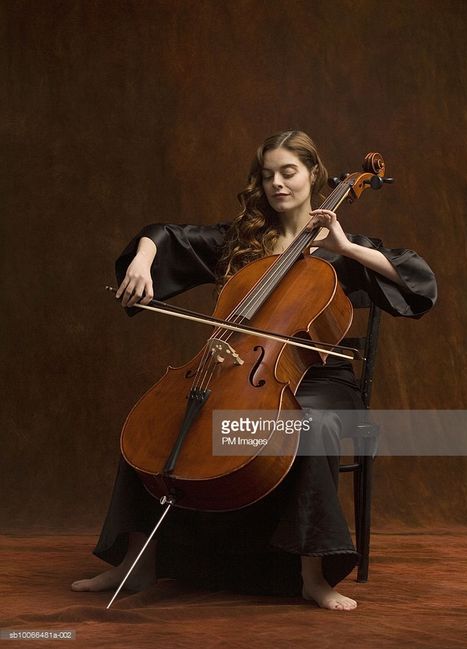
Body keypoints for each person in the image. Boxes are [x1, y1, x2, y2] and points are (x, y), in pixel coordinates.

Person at [71, 131, 437, 611]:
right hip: (234, 366)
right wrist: (142, 259)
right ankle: (134, 563)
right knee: (159, 420)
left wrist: (346, 248)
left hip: (319, 376)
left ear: (313, 175)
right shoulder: (241, 240)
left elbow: (418, 281)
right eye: (268, 176)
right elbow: (166, 235)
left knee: (309, 424)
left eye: (288, 172)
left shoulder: (340, 246)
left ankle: (314, 575)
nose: (278, 184)